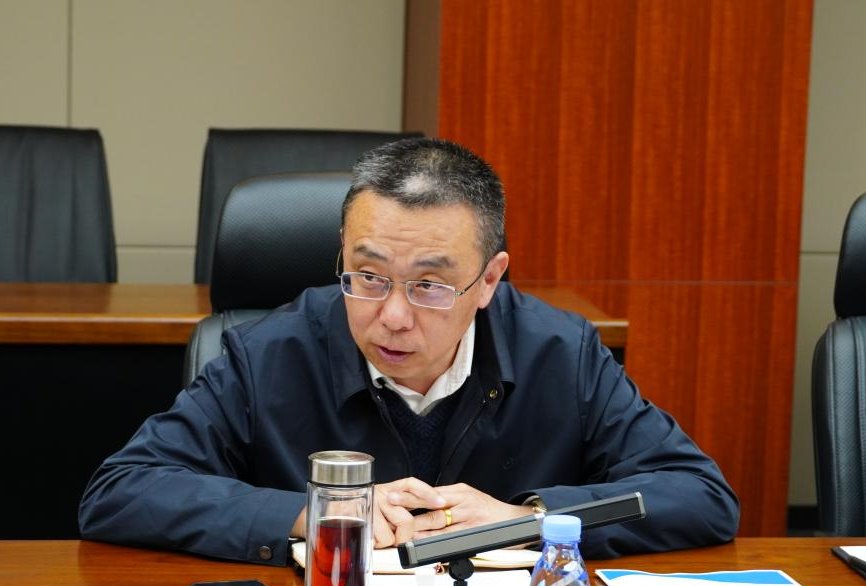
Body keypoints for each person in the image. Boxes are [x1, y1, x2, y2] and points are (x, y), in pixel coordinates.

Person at [79, 137, 739, 564]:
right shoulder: (270, 353)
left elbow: (699, 495)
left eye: (429, 285)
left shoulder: (560, 354)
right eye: (367, 276)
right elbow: (120, 492)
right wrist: (319, 514)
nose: (392, 316)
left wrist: (529, 518)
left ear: (489, 280)